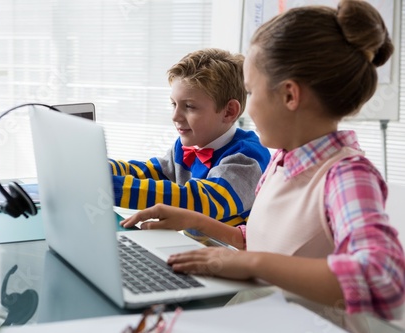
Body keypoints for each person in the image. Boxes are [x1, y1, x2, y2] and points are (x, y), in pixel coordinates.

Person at [121, 1, 405, 331]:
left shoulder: (347, 176)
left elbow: (384, 280)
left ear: (289, 96)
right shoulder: (283, 161)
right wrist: (198, 221)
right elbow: (274, 244)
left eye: (252, 92)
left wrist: (251, 262)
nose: (247, 109)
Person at [110, 48, 271, 240]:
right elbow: (151, 171)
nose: (175, 116)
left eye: (189, 107)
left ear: (229, 112)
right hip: (195, 250)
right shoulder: (188, 144)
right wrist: (98, 167)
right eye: (174, 104)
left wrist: (109, 187)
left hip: (234, 258)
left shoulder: (248, 158)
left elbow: (201, 202)